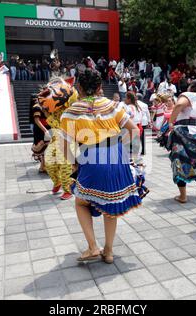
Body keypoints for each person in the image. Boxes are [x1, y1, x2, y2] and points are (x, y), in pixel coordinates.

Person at [59, 68, 147, 263]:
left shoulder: (70, 113)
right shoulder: (113, 106)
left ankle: (92, 247)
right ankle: (108, 251)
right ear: (100, 87)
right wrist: (117, 147)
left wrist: (75, 164)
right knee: (111, 203)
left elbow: (63, 145)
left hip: (91, 155)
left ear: (78, 88)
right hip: (116, 154)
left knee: (81, 201)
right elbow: (134, 131)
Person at [167, 80, 196, 203]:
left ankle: (183, 196)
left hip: (186, 132)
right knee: (194, 163)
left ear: (193, 87)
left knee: (178, 161)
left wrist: (171, 121)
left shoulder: (190, 95)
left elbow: (179, 105)